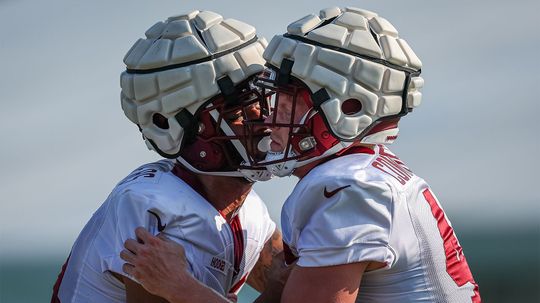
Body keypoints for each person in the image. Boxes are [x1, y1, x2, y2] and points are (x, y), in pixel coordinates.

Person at [120, 6, 481, 303]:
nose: (269, 111)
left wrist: (181, 288)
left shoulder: (348, 188)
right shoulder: (366, 173)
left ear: (348, 107)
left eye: (289, 95)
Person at [51, 10, 283, 303]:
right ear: (173, 125)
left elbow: (296, 288)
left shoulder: (251, 211)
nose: (264, 120)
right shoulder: (149, 206)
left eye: (264, 101)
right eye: (238, 109)